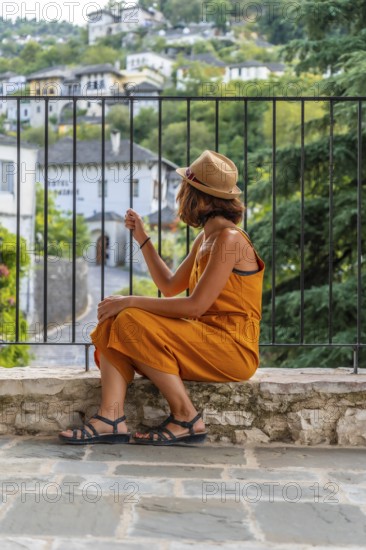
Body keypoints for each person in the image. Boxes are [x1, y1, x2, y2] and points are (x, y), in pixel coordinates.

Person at [59, 150, 265, 446]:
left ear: (201, 199)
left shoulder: (230, 240)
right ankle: (110, 417)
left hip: (232, 348)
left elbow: (195, 306)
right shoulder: (206, 238)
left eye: (184, 190)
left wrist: (129, 300)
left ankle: (186, 416)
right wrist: (142, 238)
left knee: (128, 316)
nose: (179, 196)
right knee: (115, 319)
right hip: (206, 340)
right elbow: (170, 286)